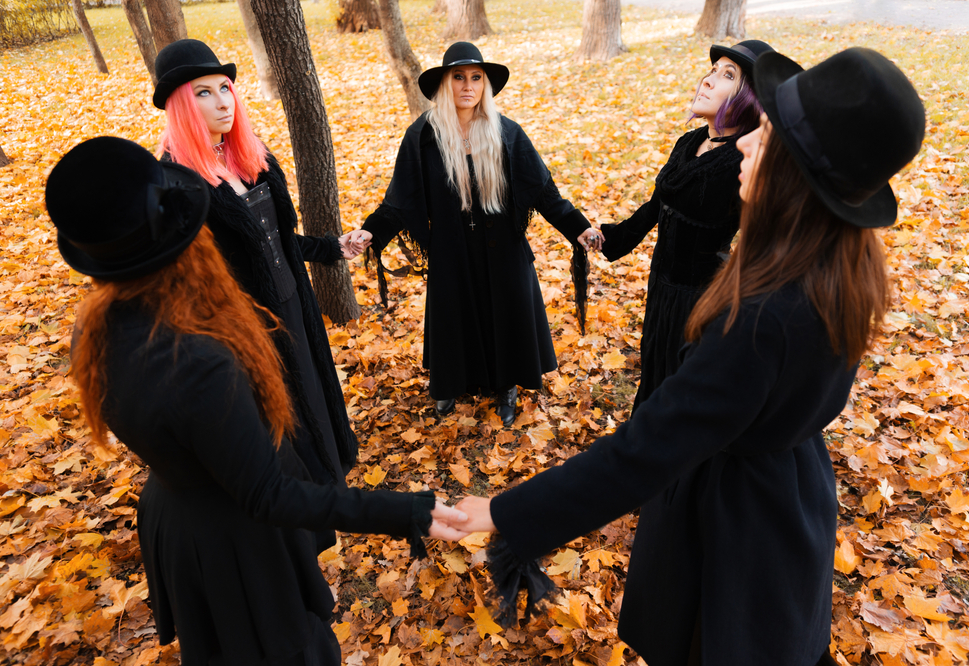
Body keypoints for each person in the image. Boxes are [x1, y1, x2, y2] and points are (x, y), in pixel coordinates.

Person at [455, 48, 926, 665]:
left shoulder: (761, 316)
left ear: (797, 176)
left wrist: (503, 513)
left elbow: (644, 449)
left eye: (768, 137)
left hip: (736, 524)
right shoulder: (843, 265)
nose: (750, 146)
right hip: (792, 498)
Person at [46, 136, 468, 665]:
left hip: (179, 520)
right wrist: (407, 510)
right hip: (234, 545)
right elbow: (268, 494)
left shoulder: (97, 327)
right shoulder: (194, 361)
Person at [342, 42, 604, 426]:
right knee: (455, 315)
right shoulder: (423, 137)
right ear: (445, 84)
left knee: (506, 312)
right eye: (459, 77)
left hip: (504, 250)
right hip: (452, 249)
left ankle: (507, 385)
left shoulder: (506, 133)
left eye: (476, 78)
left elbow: (543, 192)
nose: (468, 86)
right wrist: (370, 232)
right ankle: (452, 382)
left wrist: (579, 228)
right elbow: (401, 200)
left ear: (486, 85)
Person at [152, 40, 359, 519]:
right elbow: (184, 283)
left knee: (314, 396)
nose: (223, 101)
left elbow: (278, 241)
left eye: (225, 88)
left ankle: (332, 481)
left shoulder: (249, 153)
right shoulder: (175, 182)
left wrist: (331, 248)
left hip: (295, 306)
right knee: (280, 418)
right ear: (181, 104)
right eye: (204, 93)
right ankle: (305, 513)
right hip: (247, 328)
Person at [599, 39, 773, 413]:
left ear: (749, 98)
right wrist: (610, 238)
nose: (708, 80)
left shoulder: (742, 161)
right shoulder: (689, 141)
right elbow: (659, 204)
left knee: (685, 391)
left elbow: (765, 236)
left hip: (703, 299)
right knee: (655, 370)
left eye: (728, 75)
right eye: (712, 71)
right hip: (661, 287)